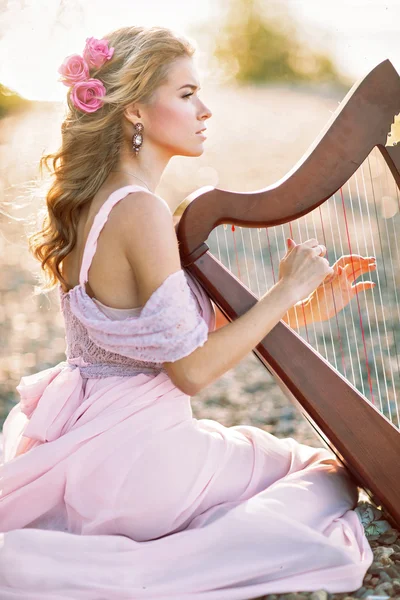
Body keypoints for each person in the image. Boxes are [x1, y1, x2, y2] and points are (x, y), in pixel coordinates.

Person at [0, 25, 375, 599]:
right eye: (186, 94)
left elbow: (157, 340)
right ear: (135, 112)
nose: (205, 109)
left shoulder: (89, 204)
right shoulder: (140, 208)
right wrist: (283, 291)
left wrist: (301, 310)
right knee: (327, 476)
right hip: (147, 469)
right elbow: (190, 371)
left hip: (85, 459)